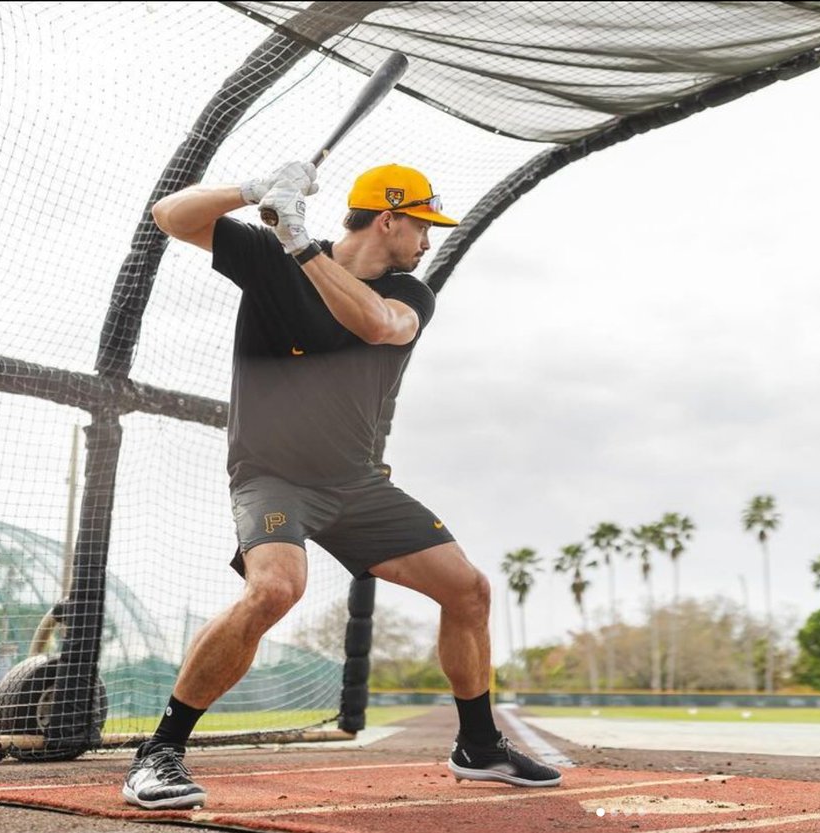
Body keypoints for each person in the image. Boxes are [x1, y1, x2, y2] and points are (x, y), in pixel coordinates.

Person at [122, 161, 561, 810]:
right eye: (423, 226)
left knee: (467, 590)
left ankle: (477, 744)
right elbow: (170, 216)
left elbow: (378, 325)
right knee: (273, 588)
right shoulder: (271, 256)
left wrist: (298, 242)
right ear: (388, 217)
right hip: (273, 475)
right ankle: (159, 752)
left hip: (356, 484)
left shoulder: (410, 293)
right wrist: (252, 191)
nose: (428, 241)